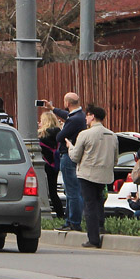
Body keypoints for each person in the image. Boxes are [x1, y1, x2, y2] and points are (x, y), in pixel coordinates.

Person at [66, 104, 119, 249]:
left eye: (87, 116)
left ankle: (93, 238)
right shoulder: (112, 135)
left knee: (89, 205)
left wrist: (70, 147)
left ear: (92, 116)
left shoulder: (85, 134)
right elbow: (115, 159)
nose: (85, 119)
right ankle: (101, 227)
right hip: (105, 175)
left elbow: (75, 157)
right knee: (99, 202)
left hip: (87, 174)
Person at [50, 92, 87, 232]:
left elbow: (59, 137)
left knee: (72, 191)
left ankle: (73, 222)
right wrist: (52, 108)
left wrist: (61, 128)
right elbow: (67, 116)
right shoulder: (79, 116)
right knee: (74, 190)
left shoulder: (73, 120)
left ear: (67, 103)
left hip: (68, 155)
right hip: (76, 156)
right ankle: (71, 221)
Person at [37, 110, 65, 221]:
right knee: (53, 193)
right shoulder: (59, 135)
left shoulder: (41, 136)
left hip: (44, 166)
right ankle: (60, 215)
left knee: (41, 191)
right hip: (55, 166)